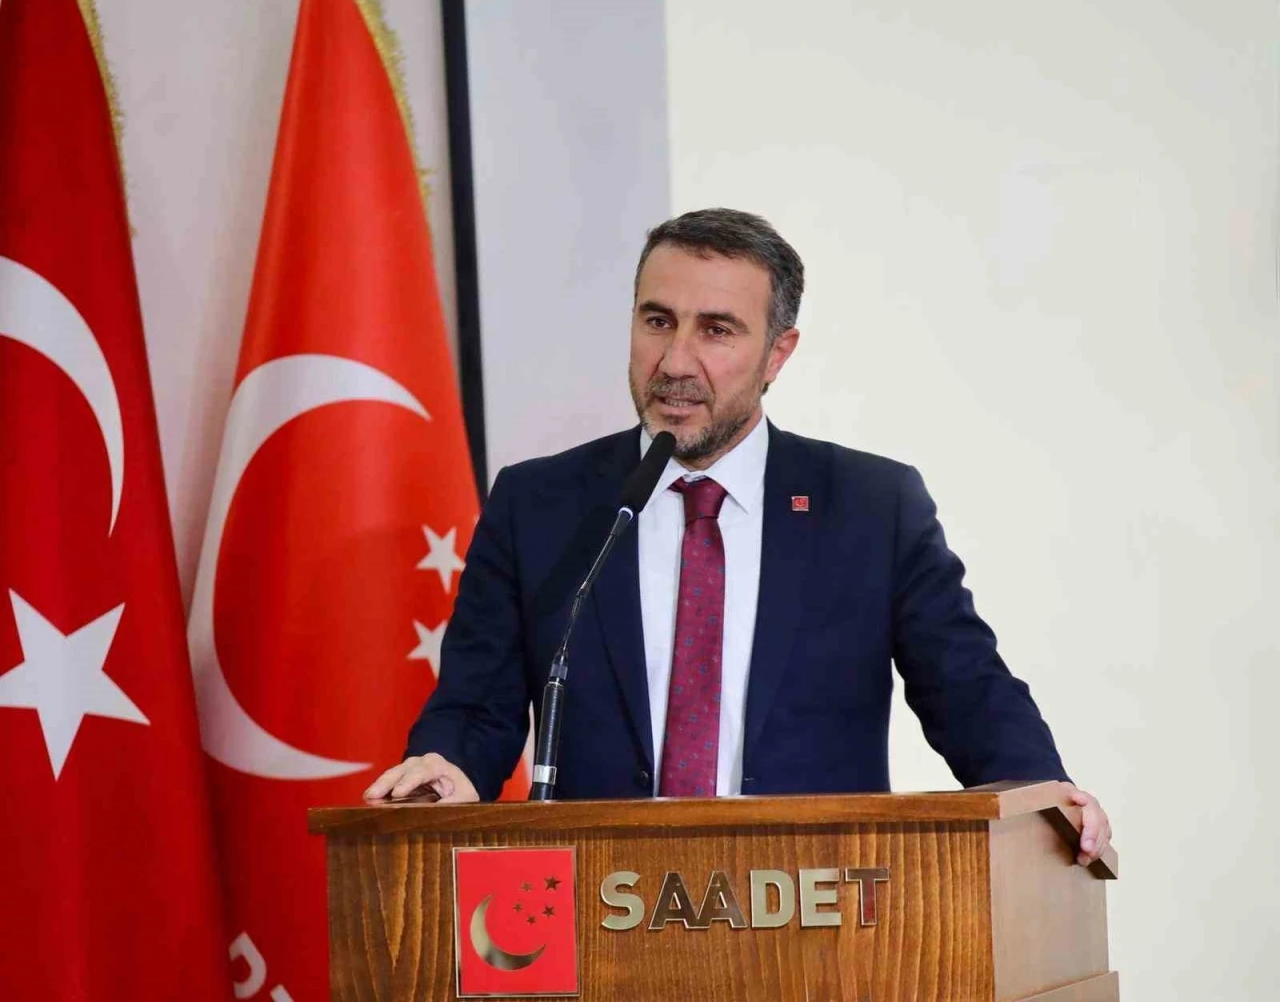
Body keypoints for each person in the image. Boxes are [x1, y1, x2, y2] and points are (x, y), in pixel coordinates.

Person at [366, 208, 1112, 866]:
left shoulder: (870, 507)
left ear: (777, 353)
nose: (674, 362)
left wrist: (1044, 793)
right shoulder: (540, 504)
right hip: (597, 910)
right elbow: (478, 704)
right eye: (658, 321)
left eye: (716, 330)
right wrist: (446, 768)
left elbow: (966, 686)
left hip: (814, 911)